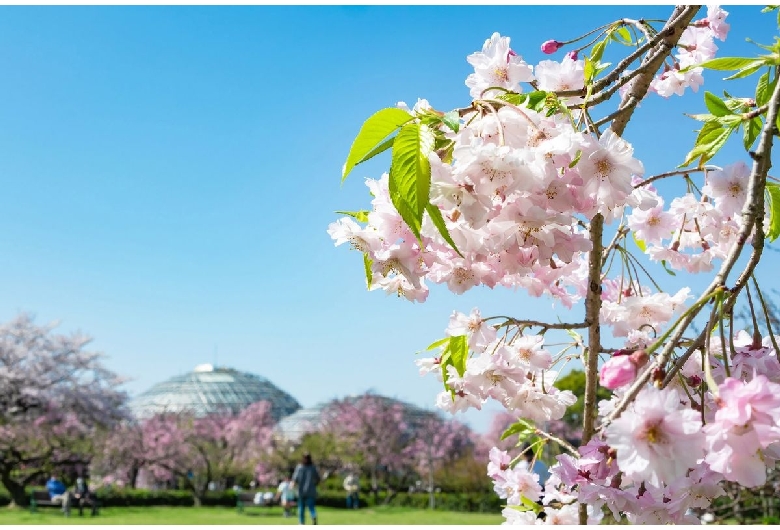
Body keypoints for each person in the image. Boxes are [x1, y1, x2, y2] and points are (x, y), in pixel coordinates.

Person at [291, 453, 320, 525]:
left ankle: (301, 522)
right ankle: (313, 516)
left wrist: (292, 485)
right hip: (311, 490)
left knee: (301, 507)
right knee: (311, 507)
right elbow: (318, 479)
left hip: (301, 491)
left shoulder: (299, 467)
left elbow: (295, 478)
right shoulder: (313, 468)